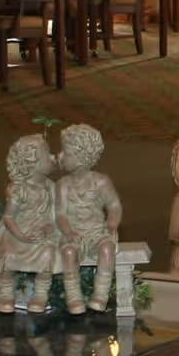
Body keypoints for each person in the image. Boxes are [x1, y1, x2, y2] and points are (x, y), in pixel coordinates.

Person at [0, 134, 65, 315]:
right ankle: (6, 294)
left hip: (40, 233)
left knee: (48, 253)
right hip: (15, 232)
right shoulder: (18, 189)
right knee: (7, 256)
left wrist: (50, 226)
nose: (53, 157)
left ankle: (40, 295)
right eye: (47, 155)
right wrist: (21, 235)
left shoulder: (50, 186)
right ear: (33, 163)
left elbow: (56, 213)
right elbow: (8, 217)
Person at [55, 123, 123, 313]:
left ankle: (100, 296)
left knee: (108, 248)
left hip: (96, 232)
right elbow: (60, 213)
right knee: (69, 253)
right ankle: (74, 298)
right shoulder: (63, 184)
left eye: (65, 153)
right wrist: (67, 231)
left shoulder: (101, 181)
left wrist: (111, 225)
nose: (60, 156)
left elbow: (114, 206)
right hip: (74, 233)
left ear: (80, 158)